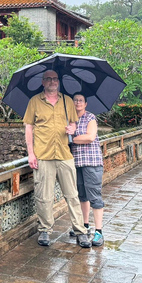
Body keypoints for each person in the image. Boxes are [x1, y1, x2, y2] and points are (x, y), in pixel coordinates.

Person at [24, 69, 92, 248]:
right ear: (43, 82)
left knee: (72, 195)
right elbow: (29, 127)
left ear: (58, 82)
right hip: (43, 155)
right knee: (43, 196)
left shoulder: (67, 101)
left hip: (64, 154)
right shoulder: (34, 102)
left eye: (55, 79)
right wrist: (30, 153)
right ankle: (45, 230)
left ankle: (80, 231)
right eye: (48, 79)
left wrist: (72, 128)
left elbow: (73, 122)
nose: (52, 82)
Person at [69, 93, 105, 247]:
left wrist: (72, 138)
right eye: (75, 100)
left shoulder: (90, 118)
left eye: (81, 100)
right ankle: (85, 225)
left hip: (91, 162)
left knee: (94, 196)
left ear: (86, 103)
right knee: (82, 196)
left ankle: (99, 231)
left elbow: (90, 137)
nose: (78, 103)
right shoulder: (70, 119)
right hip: (77, 163)